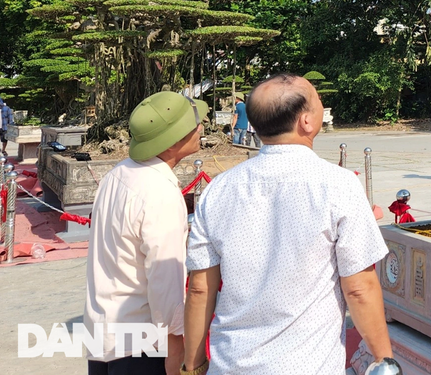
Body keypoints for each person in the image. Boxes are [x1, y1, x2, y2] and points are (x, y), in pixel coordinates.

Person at [183, 74, 391, 375]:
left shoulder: (219, 189)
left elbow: (201, 289)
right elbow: (359, 287)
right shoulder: (338, 184)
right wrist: (384, 360)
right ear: (306, 121)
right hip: (306, 366)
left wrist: (193, 365)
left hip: (231, 364)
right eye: (318, 98)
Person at [84, 92, 206, 374]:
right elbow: (165, 283)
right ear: (174, 140)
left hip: (103, 334)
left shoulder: (118, 174)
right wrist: (175, 349)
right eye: (194, 125)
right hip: (140, 347)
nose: (200, 128)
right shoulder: (159, 191)